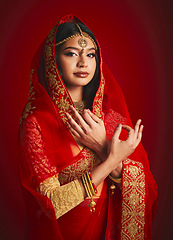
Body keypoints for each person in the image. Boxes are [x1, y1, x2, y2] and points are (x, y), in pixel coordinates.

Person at [18, 14, 157, 240]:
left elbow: (148, 195)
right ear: (53, 60)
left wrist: (103, 146)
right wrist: (111, 160)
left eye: (90, 55)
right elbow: (50, 205)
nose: (83, 63)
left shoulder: (111, 119)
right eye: (72, 53)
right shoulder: (36, 123)